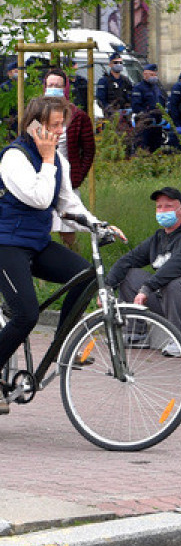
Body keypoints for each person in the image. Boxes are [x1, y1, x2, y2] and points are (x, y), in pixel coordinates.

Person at [0, 96, 125, 414]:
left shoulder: (56, 160)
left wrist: (100, 226)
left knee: (84, 277)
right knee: (26, 315)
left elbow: (68, 205)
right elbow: (41, 199)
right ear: (35, 126)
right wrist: (46, 158)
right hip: (6, 244)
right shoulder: (15, 158)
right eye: (54, 126)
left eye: (62, 126)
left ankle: (60, 347)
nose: (60, 132)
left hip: (36, 243)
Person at [105, 187, 181, 355]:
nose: (163, 211)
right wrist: (107, 288)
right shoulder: (158, 238)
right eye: (159, 207)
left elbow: (173, 269)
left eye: (168, 206)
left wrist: (146, 288)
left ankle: (177, 341)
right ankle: (136, 334)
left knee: (173, 280)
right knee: (129, 274)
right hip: (165, 299)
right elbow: (128, 260)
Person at [42, 70, 96, 251]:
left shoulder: (78, 116)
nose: (53, 89)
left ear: (65, 88)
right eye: (50, 85)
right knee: (41, 227)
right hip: (42, 177)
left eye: (58, 85)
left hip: (67, 179)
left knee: (67, 229)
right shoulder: (36, 113)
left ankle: (77, 266)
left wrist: (77, 177)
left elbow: (88, 150)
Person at [130, 63, 168, 153]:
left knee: (156, 149)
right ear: (145, 74)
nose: (154, 77)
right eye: (151, 75)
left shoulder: (157, 88)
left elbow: (162, 102)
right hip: (144, 125)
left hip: (157, 125)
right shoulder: (139, 88)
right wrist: (146, 116)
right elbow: (136, 106)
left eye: (155, 75)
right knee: (143, 149)